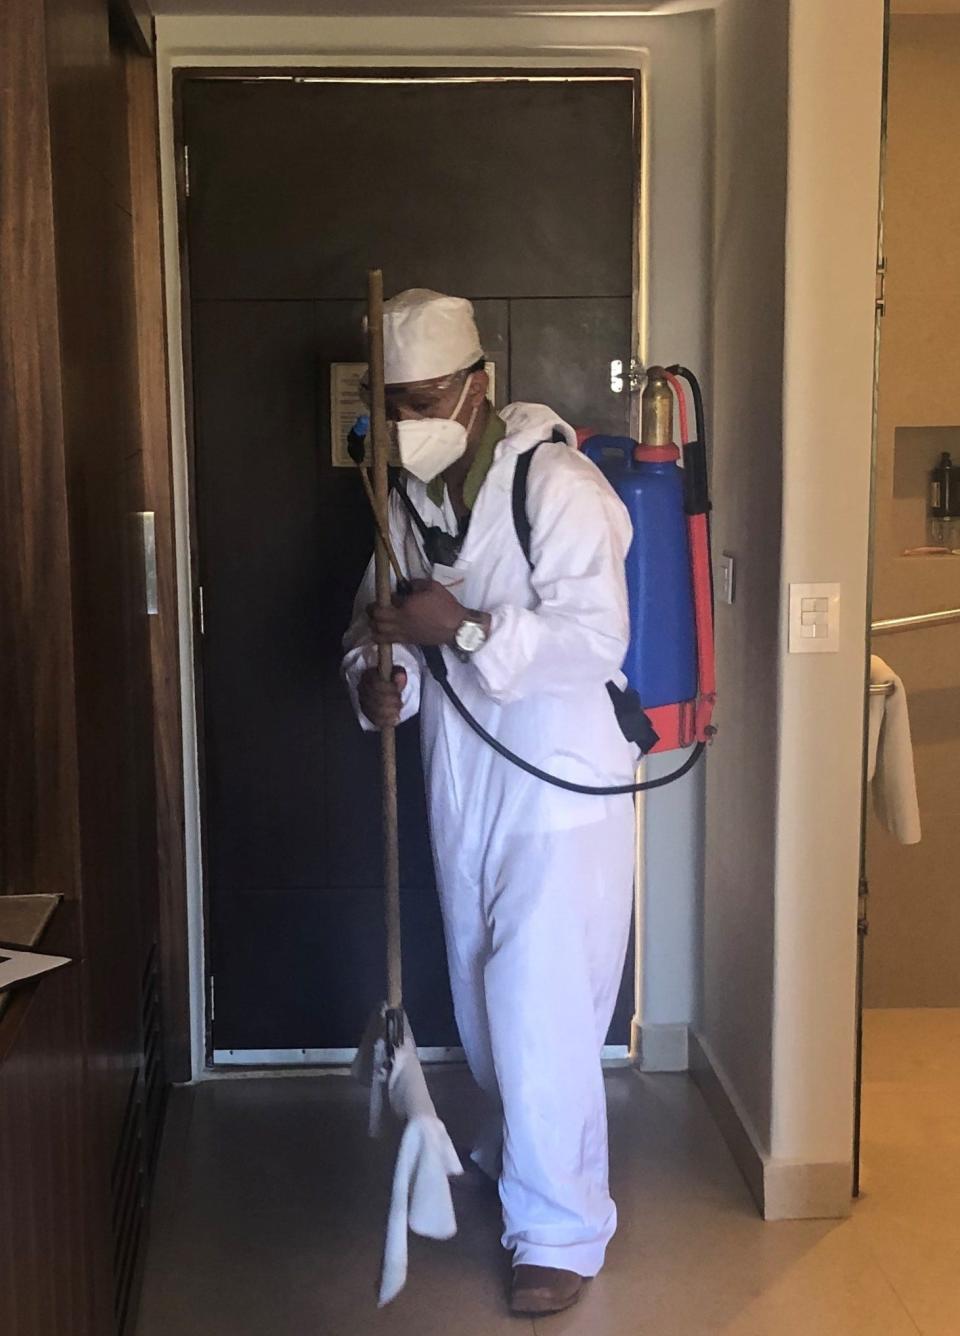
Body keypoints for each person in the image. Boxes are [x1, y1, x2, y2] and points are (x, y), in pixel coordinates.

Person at [341, 289, 636, 1316]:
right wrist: (382, 683)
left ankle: (559, 1230)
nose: (409, 419)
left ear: (478, 387)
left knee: (538, 1004)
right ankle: (525, 1149)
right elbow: (373, 624)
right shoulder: (405, 504)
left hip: (560, 784)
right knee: (479, 996)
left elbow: (598, 640)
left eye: (425, 397)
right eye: (393, 401)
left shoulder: (558, 485)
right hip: (463, 786)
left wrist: (463, 629)